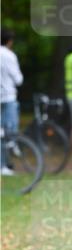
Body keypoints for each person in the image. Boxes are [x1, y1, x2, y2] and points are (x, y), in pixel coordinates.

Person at [1, 29, 24, 175]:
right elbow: (18, 80)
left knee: (0, 132)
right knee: (9, 131)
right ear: (10, 41)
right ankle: (12, 145)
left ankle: (3, 165)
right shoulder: (9, 56)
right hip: (8, 97)